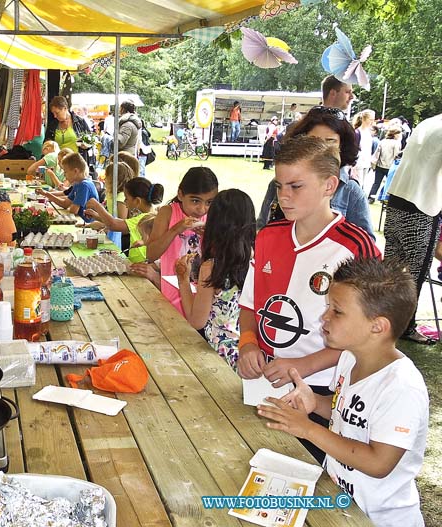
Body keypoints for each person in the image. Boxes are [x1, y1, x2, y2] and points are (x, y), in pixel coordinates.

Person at [237, 136, 379, 462]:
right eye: (278, 185)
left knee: (313, 475)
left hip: (324, 392)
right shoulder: (269, 236)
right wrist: (247, 343)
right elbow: (249, 303)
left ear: (330, 185)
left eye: (296, 186)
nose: (283, 196)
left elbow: (367, 335)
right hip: (268, 383)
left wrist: (303, 365)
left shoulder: (355, 247)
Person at [258, 257, 428, 526]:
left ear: (378, 326)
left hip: (379, 519)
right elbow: (343, 411)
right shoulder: (349, 358)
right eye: (328, 307)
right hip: (343, 504)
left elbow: (378, 463)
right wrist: (314, 402)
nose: (324, 317)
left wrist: (308, 429)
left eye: (337, 311)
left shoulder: (401, 387)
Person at [256, 105, 375, 241]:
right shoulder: (279, 184)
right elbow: (262, 227)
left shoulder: (351, 192)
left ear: (342, 146)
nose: (322, 149)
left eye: (330, 142)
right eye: (313, 142)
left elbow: (367, 248)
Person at [174, 189, 256, 371]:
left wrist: (183, 280)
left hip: (218, 356)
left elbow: (196, 321)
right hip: (244, 353)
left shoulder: (211, 267)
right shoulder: (254, 258)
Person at [382, 112, 442, 345]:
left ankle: (384, 317)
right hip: (421, 205)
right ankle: (405, 326)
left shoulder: (429, 122)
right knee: (414, 274)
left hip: (398, 199)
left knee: (391, 271)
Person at [144, 167, 219, 315]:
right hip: (171, 294)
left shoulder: (213, 215)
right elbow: (151, 254)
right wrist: (175, 230)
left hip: (202, 296)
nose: (202, 209)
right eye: (195, 200)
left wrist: (209, 236)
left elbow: (219, 257)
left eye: (209, 202)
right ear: (180, 194)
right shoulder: (168, 212)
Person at [85, 177, 164, 263]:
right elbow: (120, 224)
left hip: (141, 266)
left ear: (137, 201)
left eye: (126, 198)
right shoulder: (146, 216)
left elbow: (113, 224)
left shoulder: (144, 218)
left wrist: (97, 206)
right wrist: (97, 216)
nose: (124, 201)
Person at [38, 151, 98, 222]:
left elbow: (73, 211)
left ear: (75, 171)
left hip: (86, 224)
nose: (64, 175)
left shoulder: (84, 185)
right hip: (78, 219)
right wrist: (47, 194)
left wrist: (49, 195)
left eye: (65, 172)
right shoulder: (77, 184)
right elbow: (65, 204)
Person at [45, 95, 92, 170]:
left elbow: (91, 140)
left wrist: (86, 145)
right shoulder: (53, 125)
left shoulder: (80, 122)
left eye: (57, 113)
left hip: (76, 165)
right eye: (53, 113)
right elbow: (46, 143)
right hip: (58, 166)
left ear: (65, 108)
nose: (54, 116)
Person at [368, 124, 402, 203]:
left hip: (379, 165)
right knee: (388, 183)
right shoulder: (396, 143)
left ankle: (371, 197)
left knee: (376, 183)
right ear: (395, 134)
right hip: (390, 166)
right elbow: (396, 155)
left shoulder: (383, 141)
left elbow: (378, 153)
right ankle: (383, 198)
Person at [352, 109, 376, 186]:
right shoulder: (357, 132)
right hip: (358, 163)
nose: (372, 122)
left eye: (373, 120)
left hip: (366, 162)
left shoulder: (368, 132)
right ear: (364, 119)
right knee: (359, 184)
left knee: (363, 184)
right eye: (370, 119)